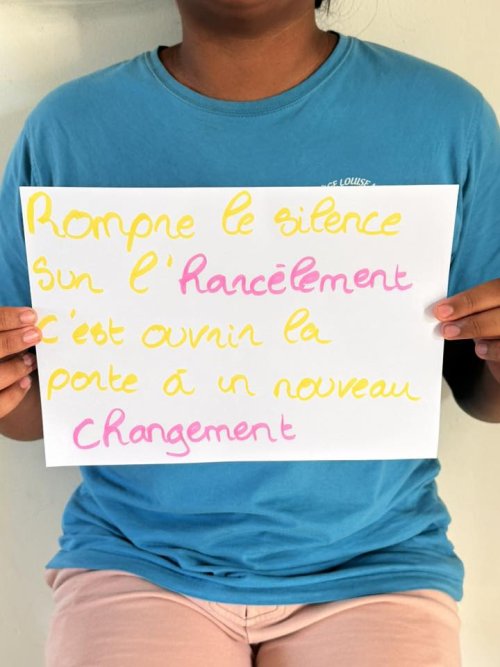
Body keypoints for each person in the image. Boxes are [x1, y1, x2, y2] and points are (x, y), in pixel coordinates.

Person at [0, 0, 499, 665]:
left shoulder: (445, 119)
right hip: (136, 558)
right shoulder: (68, 129)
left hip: (378, 561)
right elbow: (35, 410)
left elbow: (478, 388)